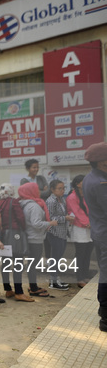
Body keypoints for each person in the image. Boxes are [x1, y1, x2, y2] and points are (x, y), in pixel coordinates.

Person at [81, 142, 107, 331]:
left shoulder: (92, 178)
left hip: (100, 233)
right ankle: (105, 317)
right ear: (102, 163)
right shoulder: (100, 183)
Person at [0, 183, 33, 302]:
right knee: (18, 263)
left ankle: (8, 290)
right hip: (15, 235)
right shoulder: (13, 202)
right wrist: (23, 229)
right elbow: (20, 218)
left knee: (6, 264)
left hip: (3, 236)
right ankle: (19, 292)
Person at [18, 182, 56, 298]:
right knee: (33, 265)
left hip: (28, 237)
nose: (39, 191)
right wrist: (50, 223)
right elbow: (36, 223)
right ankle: (33, 288)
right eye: (37, 189)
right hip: (35, 238)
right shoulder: (33, 206)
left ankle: (32, 285)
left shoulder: (22, 203)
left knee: (31, 264)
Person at [46, 180, 75, 290]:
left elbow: (62, 214)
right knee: (55, 258)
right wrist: (65, 218)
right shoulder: (51, 201)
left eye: (63, 188)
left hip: (62, 232)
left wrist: (68, 218)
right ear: (52, 190)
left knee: (58, 258)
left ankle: (56, 278)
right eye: (60, 188)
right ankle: (53, 281)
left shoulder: (61, 199)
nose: (62, 190)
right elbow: (50, 218)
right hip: (54, 233)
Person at [66, 175, 94, 288]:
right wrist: (87, 223)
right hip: (79, 228)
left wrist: (92, 222)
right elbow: (76, 212)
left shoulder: (88, 194)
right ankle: (80, 277)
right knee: (80, 254)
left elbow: (93, 208)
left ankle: (85, 275)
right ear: (78, 184)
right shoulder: (71, 197)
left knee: (88, 253)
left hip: (90, 227)